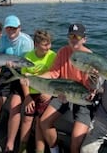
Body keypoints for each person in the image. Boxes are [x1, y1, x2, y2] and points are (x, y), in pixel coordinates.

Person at [39, 23, 96, 153]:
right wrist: (37, 79)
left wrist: (94, 85)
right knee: (44, 122)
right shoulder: (63, 51)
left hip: (81, 97)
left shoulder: (90, 56)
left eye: (77, 36)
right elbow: (54, 73)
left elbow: (91, 86)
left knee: (76, 138)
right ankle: (55, 150)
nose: (74, 38)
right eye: (71, 35)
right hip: (62, 93)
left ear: (84, 39)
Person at [0, 15, 34, 151]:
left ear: (19, 28)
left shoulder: (26, 41)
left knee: (15, 107)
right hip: (5, 71)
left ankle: (10, 144)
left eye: (14, 28)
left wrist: (17, 67)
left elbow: (27, 65)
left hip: (21, 73)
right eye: (8, 28)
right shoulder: (3, 40)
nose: (11, 31)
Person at [19, 29, 57, 153]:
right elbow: (24, 79)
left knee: (40, 121)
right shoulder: (28, 57)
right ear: (36, 45)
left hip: (46, 92)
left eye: (49, 44)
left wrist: (49, 93)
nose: (48, 47)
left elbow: (55, 77)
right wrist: (27, 97)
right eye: (45, 44)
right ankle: (22, 147)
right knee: (27, 119)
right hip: (31, 92)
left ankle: (39, 150)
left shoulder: (53, 56)